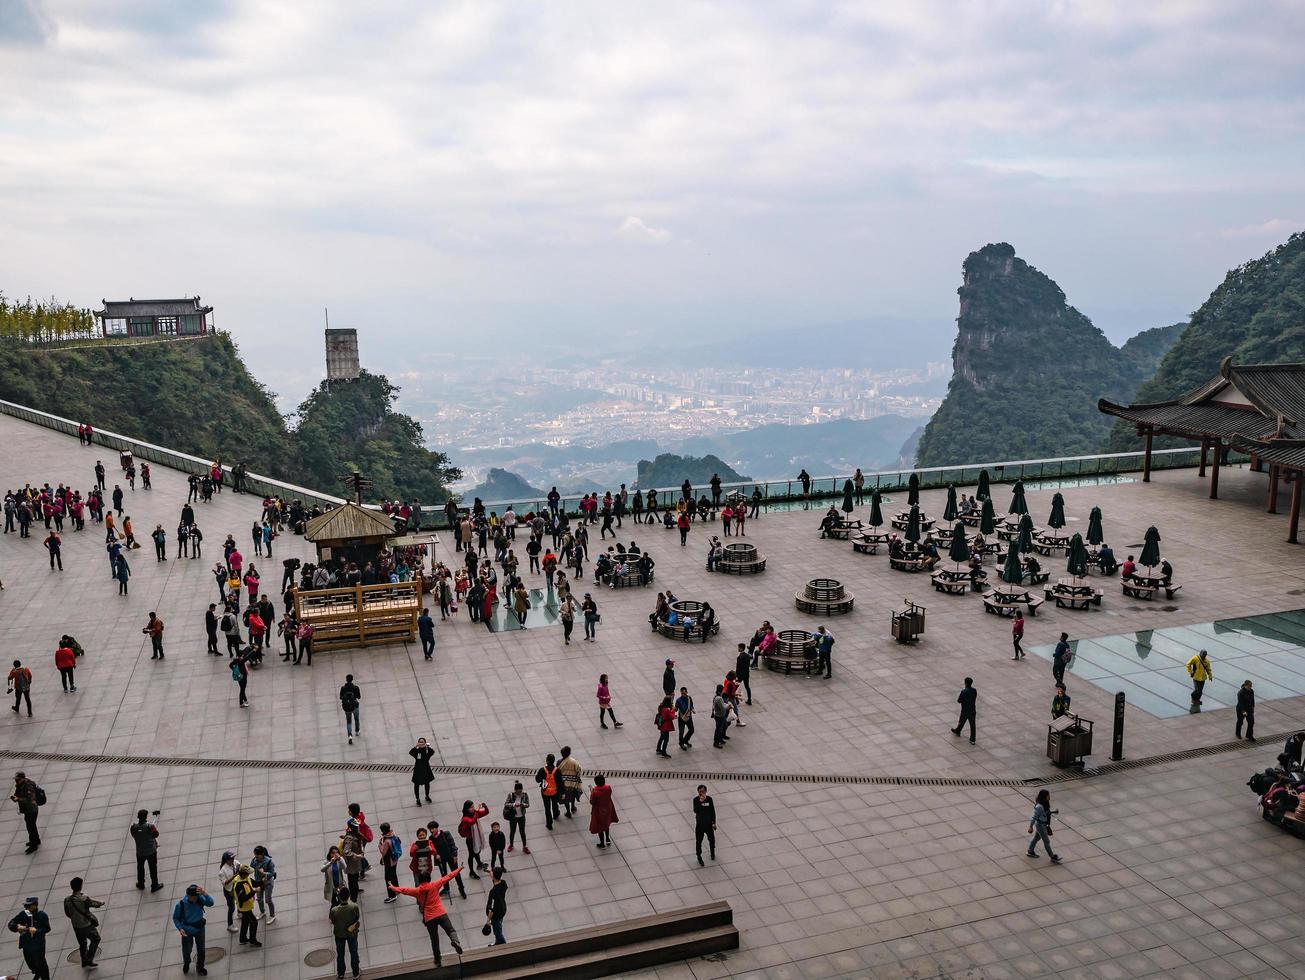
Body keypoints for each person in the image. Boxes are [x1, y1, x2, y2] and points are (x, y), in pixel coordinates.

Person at [388, 870, 466, 967]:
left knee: (434, 940)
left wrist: (392, 887)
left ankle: (438, 960)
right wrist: (460, 868)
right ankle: (455, 941)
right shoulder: (435, 885)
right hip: (441, 913)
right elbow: (448, 877)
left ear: (420, 880)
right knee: (450, 929)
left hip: (429, 918)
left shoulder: (417, 891)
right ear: (429, 878)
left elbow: (404, 890)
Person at [172, 884, 214, 975]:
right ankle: (186, 963)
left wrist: (205, 894)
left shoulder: (199, 899)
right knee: (187, 950)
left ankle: (200, 967)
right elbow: (175, 918)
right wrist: (180, 928)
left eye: (197, 897)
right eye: (194, 898)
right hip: (187, 931)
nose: (196, 899)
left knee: (201, 950)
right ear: (188, 896)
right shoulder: (181, 905)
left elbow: (211, 903)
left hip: (200, 928)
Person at [64, 877, 103, 969]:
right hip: (86, 925)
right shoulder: (84, 899)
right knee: (96, 939)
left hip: (76, 926)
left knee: (82, 943)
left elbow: (67, 913)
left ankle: (84, 960)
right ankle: (89, 959)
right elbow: (96, 904)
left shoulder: (67, 900)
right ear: (80, 886)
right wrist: (101, 902)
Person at [9, 896, 51, 980]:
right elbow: (11, 924)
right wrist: (17, 927)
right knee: (30, 964)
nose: (26, 908)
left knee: (42, 964)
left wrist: (37, 931)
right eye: (26, 906)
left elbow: (47, 928)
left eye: (29, 906)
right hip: (27, 945)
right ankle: (37, 972)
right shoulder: (24, 914)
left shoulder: (42, 915)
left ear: (35, 905)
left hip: (38, 946)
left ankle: (44, 977)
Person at [330, 886, 362, 980]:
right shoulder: (354, 907)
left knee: (340, 954)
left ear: (339, 897)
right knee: (354, 952)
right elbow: (357, 917)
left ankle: (341, 974)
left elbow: (333, 921)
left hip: (339, 934)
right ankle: (356, 972)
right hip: (351, 933)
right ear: (348, 896)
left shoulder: (334, 910)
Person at [131, 808, 164, 892]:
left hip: (140, 852)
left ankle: (141, 883)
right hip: (151, 851)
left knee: (140, 867)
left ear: (138, 817)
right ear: (146, 817)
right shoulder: (150, 826)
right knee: (153, 868)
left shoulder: (133, 827)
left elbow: (134, 835)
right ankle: (154, 885)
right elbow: (156, 834)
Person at [458, 800, 490, 878]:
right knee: (471, 855)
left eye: (473, 806)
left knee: (477, 851)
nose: (473, 808)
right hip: (470, 839)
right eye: (471, 807)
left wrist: (485, 806)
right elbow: (472, 821)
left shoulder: (474, 813)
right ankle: (471, 871)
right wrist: (477, 811)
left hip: (476, 837)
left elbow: (486, 812)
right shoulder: (465, 818)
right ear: (467, 809)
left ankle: (479, 863)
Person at [1026, 789, 1060, 862]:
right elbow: (1034, 817)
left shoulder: (1045, 803)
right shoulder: (1039, 807)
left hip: (1043, 824)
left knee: (1036, 838)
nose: (1049, 797)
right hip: (1040, 825)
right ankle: (1052, 856)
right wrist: (1030, 826)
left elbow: (1045, 813)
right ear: (1044, 796)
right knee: (1046, 841)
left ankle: (1030, 851)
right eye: (1048, 795)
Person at [233, 864, 261, 947]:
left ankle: (243, 938)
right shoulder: (239, 885)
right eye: (248, 873)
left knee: (245, 922)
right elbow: (242, 898)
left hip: (247, 906)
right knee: (254, 922)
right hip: (245, 908)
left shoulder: (246, 878)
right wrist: (254, 891)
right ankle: (252, 940)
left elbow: (254, 883)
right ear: (243, 874)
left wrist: (263, 881)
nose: (249, 874)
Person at [250, 845, 277, 924]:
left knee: (268, 899)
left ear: (262, 854)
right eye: (255, 855)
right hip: (258, 882)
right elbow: (251, 868)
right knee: (259, 898)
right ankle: (262, 912)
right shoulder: (254, 860)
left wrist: (264, 873)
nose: (255, 857)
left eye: (257, 855)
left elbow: (272, 873)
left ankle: (272, 915)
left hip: (268, 883)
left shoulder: (269, 861)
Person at [504, 781, 530, 855]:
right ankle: (511, 845)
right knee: (512, 831)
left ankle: (525, 846)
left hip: (521, 816)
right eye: (517, 791)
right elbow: (506, 804)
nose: (519, 792)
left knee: (522, 832)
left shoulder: (525, 795)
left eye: (520, 791)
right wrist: (513, 804)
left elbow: (528, 804)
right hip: (513, 817)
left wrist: (522, 805)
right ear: (515, 790)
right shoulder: (511, 795)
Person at [693, 785, 717, 866]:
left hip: (708, 824)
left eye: (702, 791)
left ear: (705, 791)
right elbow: (696, 810)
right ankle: (699, 856)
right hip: (700, 825)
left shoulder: (709, 799)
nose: (701, 793)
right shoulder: (696, 800)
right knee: (699, 841)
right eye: (700, 791)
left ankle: (712, 852)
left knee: (711, 839)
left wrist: (713, 822)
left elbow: (712, 811)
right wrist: (700, 801)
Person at [536, 753, 561, 830]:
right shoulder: (557, 770)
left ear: (547, 761)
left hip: (545, 791)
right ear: (553, 761)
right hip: (554, 791)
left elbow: (537, 780)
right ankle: (556, 814)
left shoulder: (542, 770)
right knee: (554, 803)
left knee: (547, 808)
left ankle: (549, 824)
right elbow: (560, 782)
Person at [485, 867, 508, 946]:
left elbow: (492, 909)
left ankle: (502, 944)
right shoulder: (503, 884)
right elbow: (495, 881)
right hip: (502, 910)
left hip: (496, 915)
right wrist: (490, 872)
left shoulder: (493, 892)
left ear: (494, 876)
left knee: (497, 932)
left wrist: (488, 921)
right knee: (499, 926)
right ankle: (498, 941)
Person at [410, 737, 436, 805]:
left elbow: (432, 752)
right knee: (416, 785)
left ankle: (427, 796)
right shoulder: (417, 751)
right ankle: (417, 799)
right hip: (418, 770)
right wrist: (416, 746)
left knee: (427, 784)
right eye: (420, 742)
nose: (421, 743)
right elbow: (411, 752)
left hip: (426, 769)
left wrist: (426, 746)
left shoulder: (427, 750)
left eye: (423, 742)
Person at [952, 677, 977, 744]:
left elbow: (959, 700)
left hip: (965, 710)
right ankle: (972, 739)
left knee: (962, 721)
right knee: (972, 725)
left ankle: (958, 731)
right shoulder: (974, 690)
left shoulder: (964, 691)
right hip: (972, 710)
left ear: (965, 683)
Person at [218, 850, 238, 933]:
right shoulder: (222, 871)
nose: (233, 859)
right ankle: (230, 925)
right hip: (229, 890)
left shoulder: (234, 863)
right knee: (232, 907)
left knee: (239, 900)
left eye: (233, 857)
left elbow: (239, 865)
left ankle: (240, 913)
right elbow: (224, 882)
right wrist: (233, 877)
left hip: (236, 887)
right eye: (231, 858)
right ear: (226, 860)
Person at [340, 674, 362, 744]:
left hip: (347, 707)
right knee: (356, 719)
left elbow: (340, 697)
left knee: (349, 721)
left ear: (346, 679)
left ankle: (350, 735)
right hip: (355, 706)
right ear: (352, 679)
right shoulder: (356, 687)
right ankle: (357, 731)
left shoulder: (343, 688)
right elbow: (359, 697)